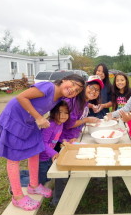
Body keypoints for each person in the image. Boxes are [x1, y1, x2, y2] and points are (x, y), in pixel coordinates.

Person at [0, 74, 85, 211]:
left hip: (30, 121)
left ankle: (34, 186)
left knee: (35, 151)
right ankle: (17, 197)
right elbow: (21, 97)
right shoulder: (48, 87)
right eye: (72, 84)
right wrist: (39, 118)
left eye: (77, 90)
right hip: (15, 118)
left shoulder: (60, 97)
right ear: (64, 80)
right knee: (13, 158)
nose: (73, 89)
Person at [51, 75, 104, 206]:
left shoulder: (84, 101)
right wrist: (86, 120)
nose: (94, 91)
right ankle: (57, 200)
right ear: (85, 87)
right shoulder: (72, 101)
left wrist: (90, 107)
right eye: (91, 87)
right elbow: (68, 123)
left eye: (97, 90)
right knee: (62, 168)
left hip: (73, 137)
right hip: (63, 140)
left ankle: (89, 180)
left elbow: (83, 111)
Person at [39, 101, 70, 185]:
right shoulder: (50, 125)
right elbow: (42, 143)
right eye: (60, 112)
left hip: (48, 156)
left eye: (66, 112)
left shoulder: (60, 123)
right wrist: (53, 153)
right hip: (41, 158)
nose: (63, 115)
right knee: (41, 181)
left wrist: (64, 140)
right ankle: (19, 180)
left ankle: (31, 174)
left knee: (47, 177)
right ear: (53, 112)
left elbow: (57, 135)